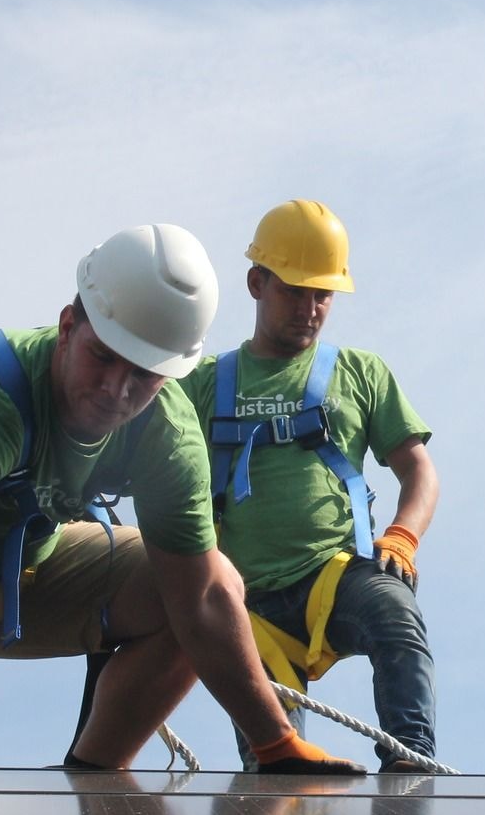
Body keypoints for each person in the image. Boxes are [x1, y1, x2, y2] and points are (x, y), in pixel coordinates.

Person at [0, 223, 364, 786]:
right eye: (104, 357)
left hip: (4, 575)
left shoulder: (167, 435)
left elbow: (204, 602)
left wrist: (273, 742)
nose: (117, 390)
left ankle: (91, 784)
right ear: (68, 326)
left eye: (144, 375)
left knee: (209, 579)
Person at [179, 200, 441, 771]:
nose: (310, 308)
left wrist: (403, 537)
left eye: (322, 294)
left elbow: (418, 470)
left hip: (333, 574)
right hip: (244, 603)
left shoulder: (359, 373)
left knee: (395, 615)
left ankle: (412, 763)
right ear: (257, 283)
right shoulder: (201, 386)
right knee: (276, 766)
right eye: (294, 291)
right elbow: (155, 477)